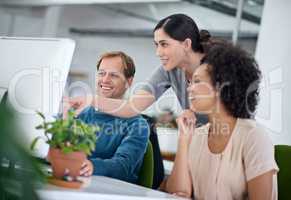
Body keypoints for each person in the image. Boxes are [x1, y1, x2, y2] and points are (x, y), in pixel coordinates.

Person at [165, 43, 279, 199]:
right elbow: (177, 194)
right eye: (190, 83)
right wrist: (183, 140)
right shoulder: (197, 135)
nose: (189, 89)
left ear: (221, 87)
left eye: (197, 82)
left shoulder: (253, 137)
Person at [66, 14, 221, 125]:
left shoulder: (221, 66)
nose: (158, 52)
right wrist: (90, 99)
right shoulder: (170, 70)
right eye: (156, 45)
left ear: (186, 44)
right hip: (201, 142)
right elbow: (131, 107)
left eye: (164, 44)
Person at [76, 51, 149, 184]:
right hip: (76, 183)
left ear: (129, 81)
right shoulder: (81, 115)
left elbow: (123, 167)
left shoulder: (137, 125)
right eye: (101, 73)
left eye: (114, 75)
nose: (105, 80)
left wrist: (92, 166)